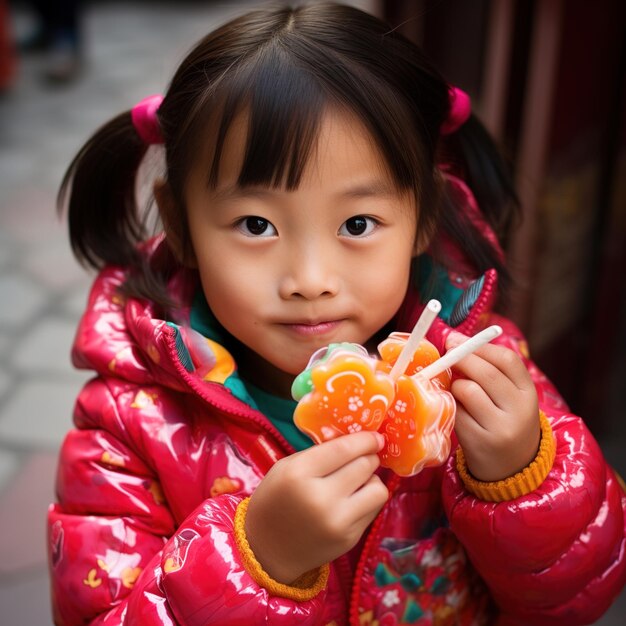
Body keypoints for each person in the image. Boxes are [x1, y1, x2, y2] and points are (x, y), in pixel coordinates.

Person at [47, 3, 626, 625]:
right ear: (183, 226)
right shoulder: (128, 427)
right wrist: (257, 559)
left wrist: (522, 477)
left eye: (357, 223)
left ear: (422, 216)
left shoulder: (476, 373)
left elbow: (576, 598)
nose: (311, 281)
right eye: (256, 224)